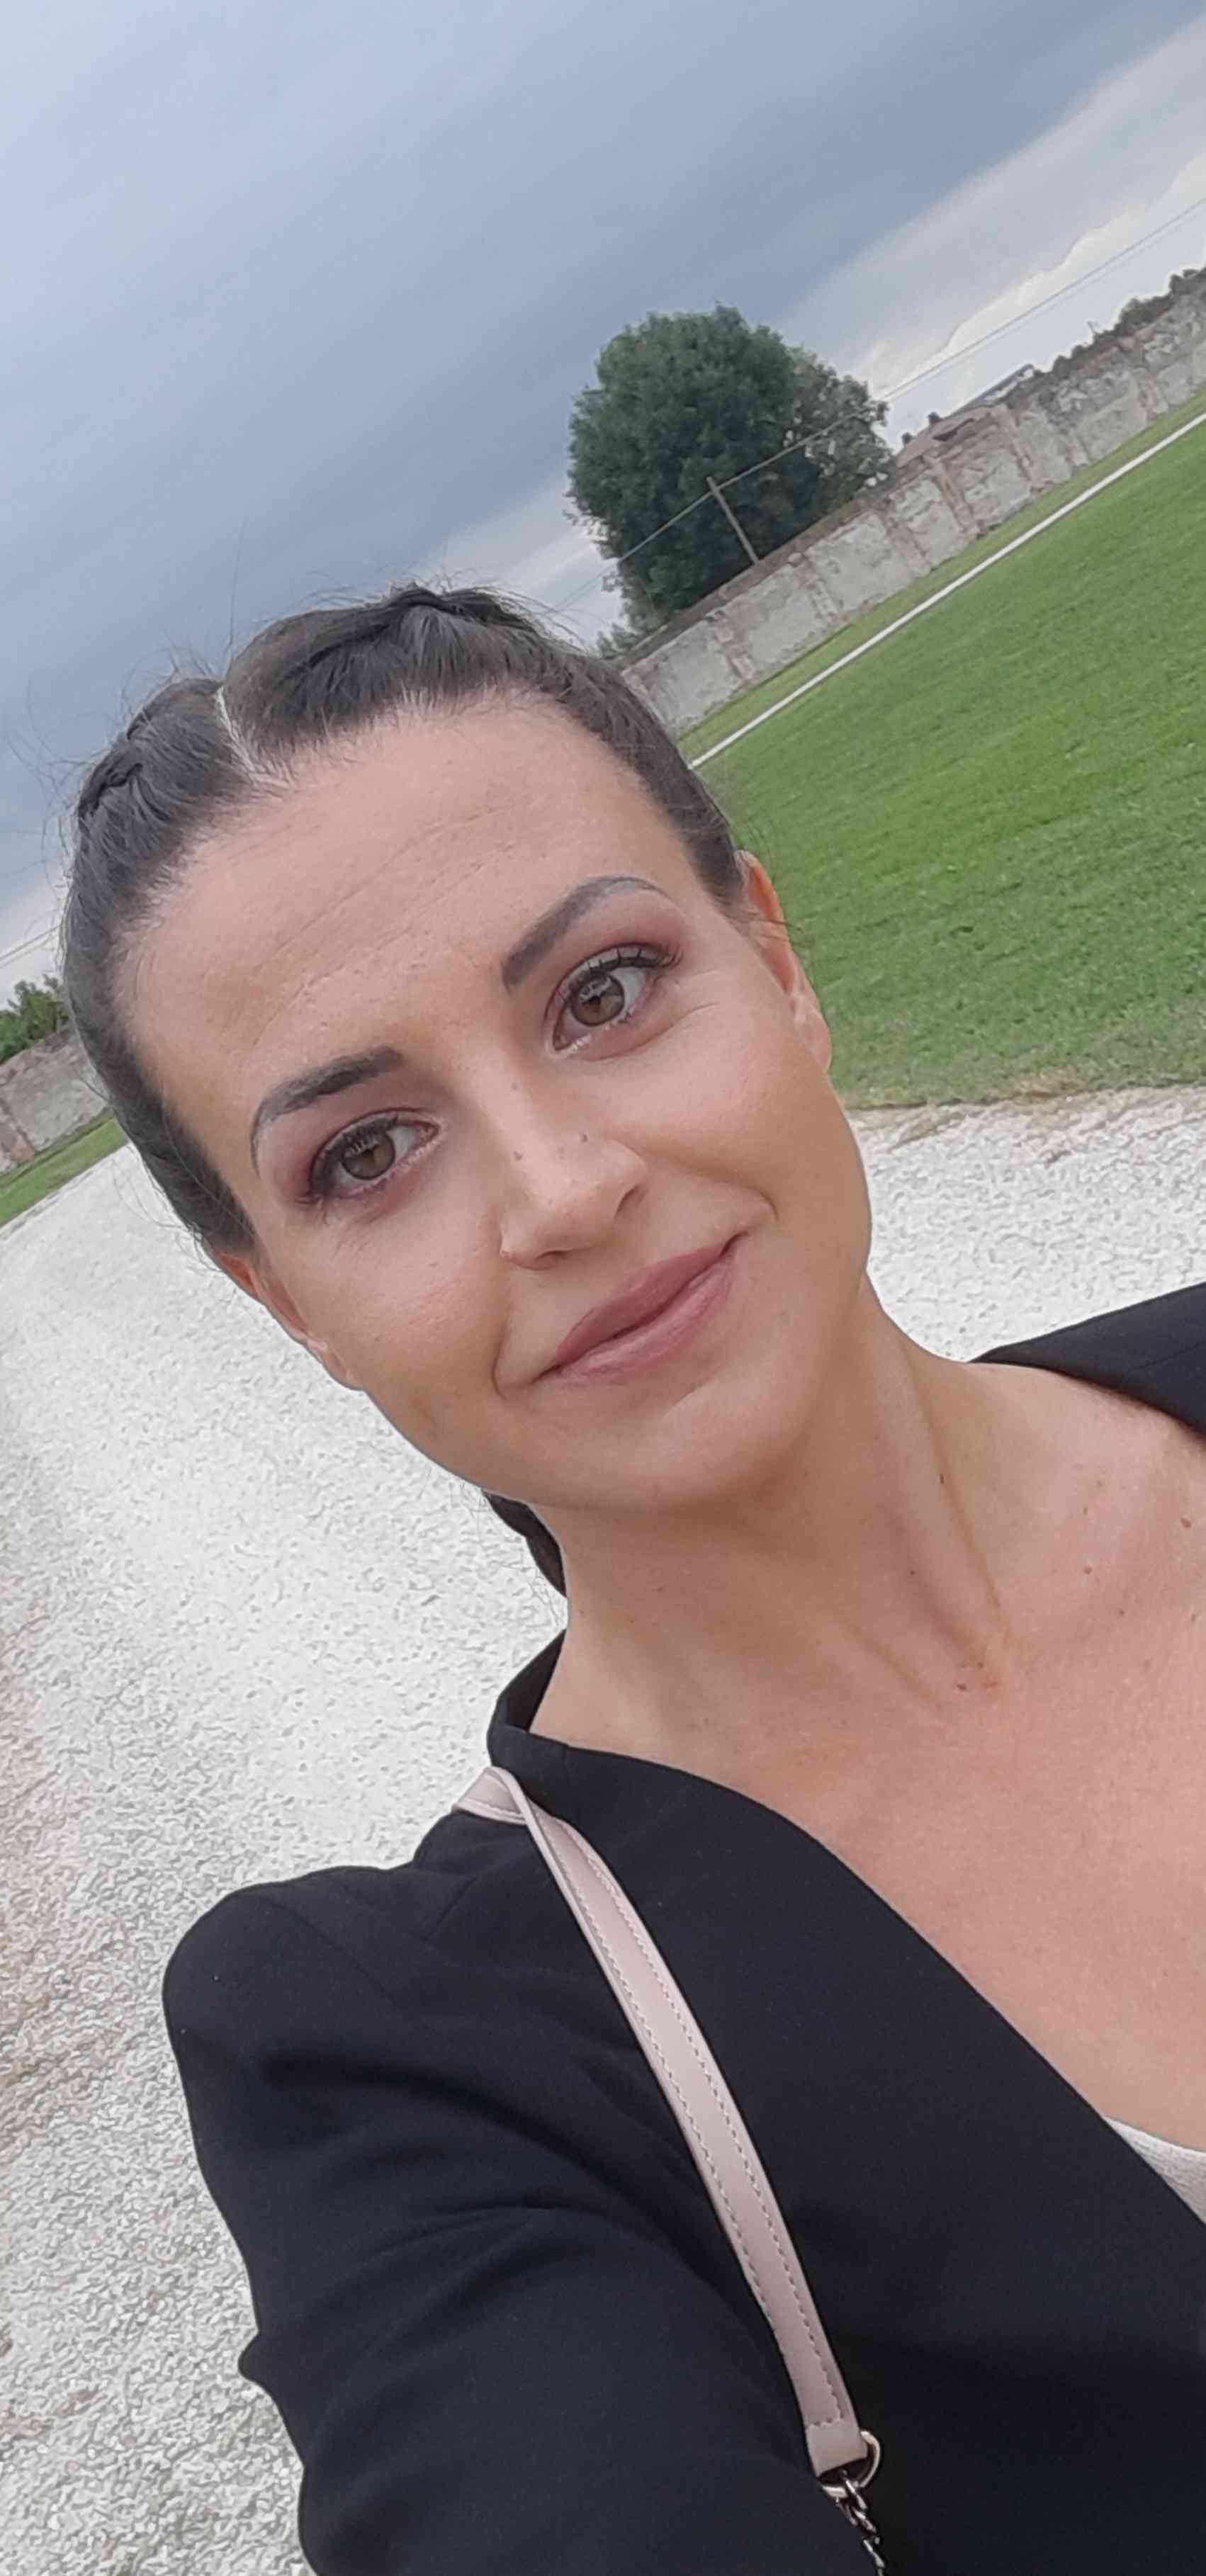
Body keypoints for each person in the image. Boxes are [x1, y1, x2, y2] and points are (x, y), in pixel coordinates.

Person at [62, 584, 1205, 2574]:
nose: (564, 1187)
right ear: (285, 1302)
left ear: (778, 960)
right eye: (367, 1153)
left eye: (603, 992)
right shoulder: (404, 2069)